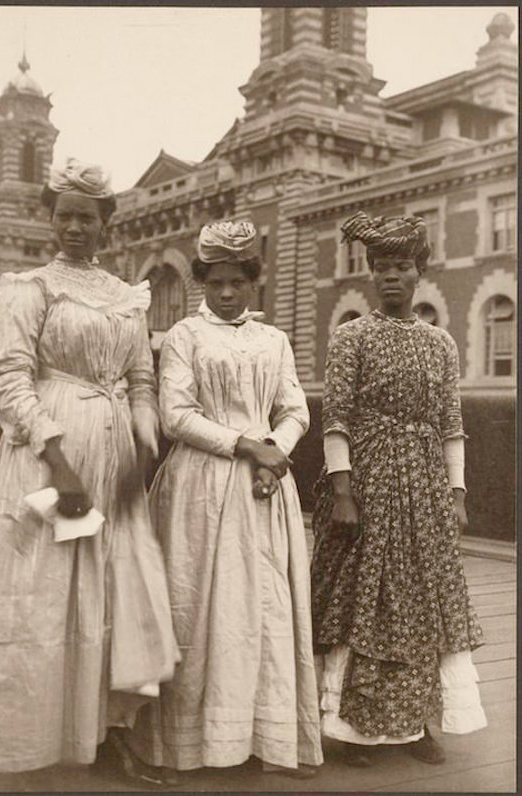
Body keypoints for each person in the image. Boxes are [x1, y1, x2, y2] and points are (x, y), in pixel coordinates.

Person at [0, 158, 179, 783]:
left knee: (117, 597)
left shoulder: (127, 297)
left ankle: (109, 733)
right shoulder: (29, 287)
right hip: (48, 459)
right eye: (64, 216)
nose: (74, 227)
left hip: (114, 459)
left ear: (105, 223)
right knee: (41, 599)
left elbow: (142, 380)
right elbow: (10, 378)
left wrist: (145, 441)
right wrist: (56, 458)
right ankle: (30, 739)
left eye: (86, 218)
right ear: (51, 219)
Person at [130, 221, 323, 780]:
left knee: (264, 607)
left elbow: (295, 410)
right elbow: (176, 415)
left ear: (253, 282)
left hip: (265, 487)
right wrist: (246, 447)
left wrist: (273, 452)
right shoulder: (185, 335)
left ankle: (268, 738)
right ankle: (192, 745)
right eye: (216, 282)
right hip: (201, 484)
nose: (227, 293)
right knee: (201, 608)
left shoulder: (274, 340)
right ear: (202, 282)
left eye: (238, 282)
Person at [310, 211, 487, 768]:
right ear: (371, 272)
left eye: (403, 266)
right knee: (363, 598)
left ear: (419, 272)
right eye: (383, 266)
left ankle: (416, 725)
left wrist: (456, 493)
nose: (392, 276)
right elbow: (336, 417)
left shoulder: (440, 343)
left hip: (424, 486)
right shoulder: (351, 336)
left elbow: (451, 421)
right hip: (367, 481)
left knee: (423, 600)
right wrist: (343, 492)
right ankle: (349, 728)